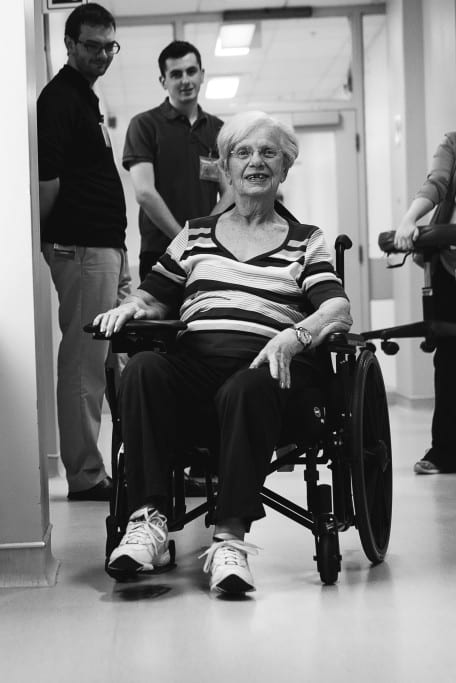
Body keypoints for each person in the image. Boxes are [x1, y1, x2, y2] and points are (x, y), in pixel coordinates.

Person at [93, 111, 353, 593]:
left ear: (285, 167)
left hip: (268, 374)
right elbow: (154, 296)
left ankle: (229, 541)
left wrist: (293, 337)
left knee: (247, 386)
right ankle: (147, 521)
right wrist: (132, 307)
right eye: (243, 153)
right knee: (145, 369)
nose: (256, 162)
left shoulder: (306, 241)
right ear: (227, 169)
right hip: (196, 368)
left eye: (268, 152)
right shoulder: (194, 233)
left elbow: (337, 308)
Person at [37, 3, 131, 501]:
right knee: (83, 364)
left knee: (108, 362)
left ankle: (103, 464)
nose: (100, 55)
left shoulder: (84, 99)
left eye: (108, 47)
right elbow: (46, 181)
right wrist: (50, 235)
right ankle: (86, 476)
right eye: (91, 46)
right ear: (70, 44)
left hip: (105, 247)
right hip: (82, 247)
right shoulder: (59, 99)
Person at [122, 40, 234, 283]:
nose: (185, 80)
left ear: (202, 75)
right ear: (163, 81)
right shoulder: (144, 125)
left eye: (191, 71)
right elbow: (144, 192)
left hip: (208, 253)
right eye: (176, 74)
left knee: (205, 320)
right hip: (159, 252)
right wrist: (184, 240)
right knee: (160, 319)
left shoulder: (218, 130)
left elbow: (229, 193)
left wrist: (203, 237)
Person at [393, 131, 456, 475]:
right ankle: (444, 451)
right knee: (449, 360)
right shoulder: (453, 143)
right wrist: (409, 219)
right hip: (449, 263)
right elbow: (438, 182)